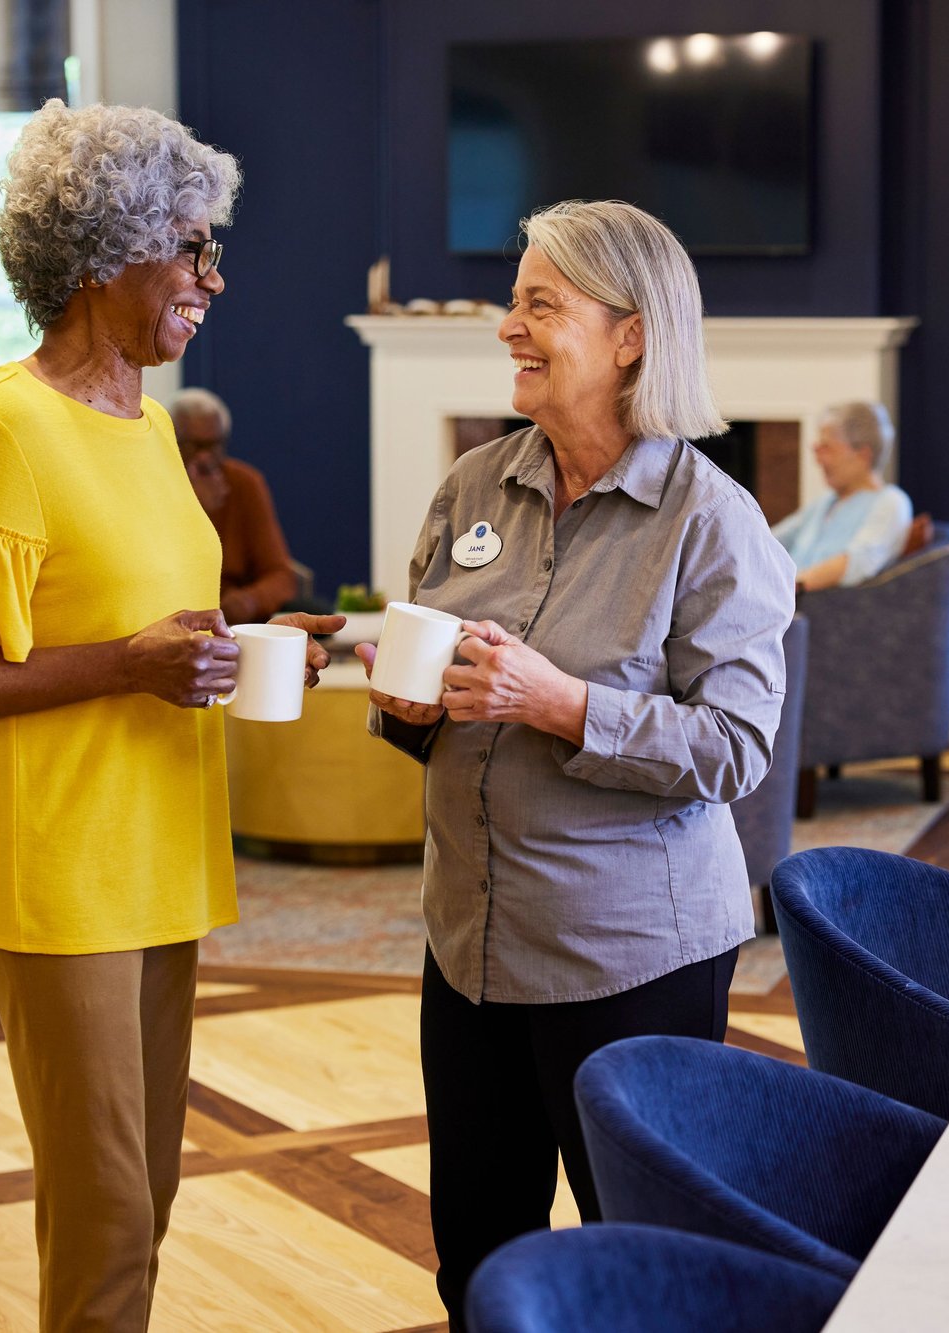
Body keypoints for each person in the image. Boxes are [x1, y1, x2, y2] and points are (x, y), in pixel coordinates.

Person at [0, 100, 340, 1331]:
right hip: (56, 865)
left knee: (146, 1191)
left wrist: (262, 642)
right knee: (107, 1208)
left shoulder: (152, 424)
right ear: (105, 253)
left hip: (160, 848)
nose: (212, 278)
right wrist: (122, 665)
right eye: (192, 248)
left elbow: (148, 627)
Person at [355, 199, 794, 1322]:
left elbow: (738, 746)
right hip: (469, 944)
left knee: (633, 1263)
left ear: (630, 336)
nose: (508, 326)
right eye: (514, 301)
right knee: (477, 1254)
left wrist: (562, 705)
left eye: (539, 304)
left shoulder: (713, 521)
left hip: (627, 956)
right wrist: (406, 704)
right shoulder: (471, 488)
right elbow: (433, 688)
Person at [170, 387, 301, 623]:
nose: (204, 458)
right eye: (192, 446)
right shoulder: (155, 481)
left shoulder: (244, 483)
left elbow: (281, 576)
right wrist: (195, 508)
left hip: (235, 619)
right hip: (172, 614)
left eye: (212, 446)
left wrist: (249, 601)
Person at [773, 400, 915, 592]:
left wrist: (788, 587)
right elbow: (773, 540)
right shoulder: (826, 501)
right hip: (785, 600)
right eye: (817, 449)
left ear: (863, 455)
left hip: (809, 603)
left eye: (827, 449)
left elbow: (858, 561)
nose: (818, 460)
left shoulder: (891, 502)